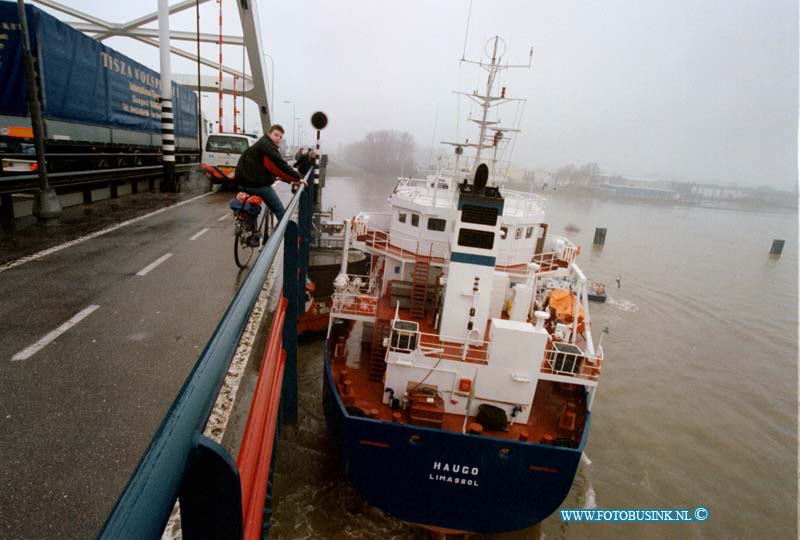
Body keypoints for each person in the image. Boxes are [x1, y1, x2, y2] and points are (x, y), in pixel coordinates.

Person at [234, 124, 308, 221]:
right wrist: (298, 178)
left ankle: (248, 224)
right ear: (269, 134)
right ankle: (285, 229)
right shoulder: (268, 147)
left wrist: (289, 180)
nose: (278, 138)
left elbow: (272, 169)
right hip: (256, 185)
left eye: (280, 137)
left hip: (243, 183)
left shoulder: (261, 143)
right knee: (279, 210)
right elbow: (280, 166)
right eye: (276, 135)